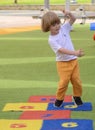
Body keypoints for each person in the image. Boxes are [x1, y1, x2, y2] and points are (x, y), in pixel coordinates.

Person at [41, 10, 84, 107]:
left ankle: (77, 96)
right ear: (48, 27)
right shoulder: (51, 40)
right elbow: (62, 50)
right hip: (62, 63)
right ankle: (59, 98)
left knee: (76, 80)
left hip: (73, 61)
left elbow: (73, 19)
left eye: (57, 23)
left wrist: (69, 13)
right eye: (53, 25)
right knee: (64, 82)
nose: (57, 26)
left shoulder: (64, 28)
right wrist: (75, 53)